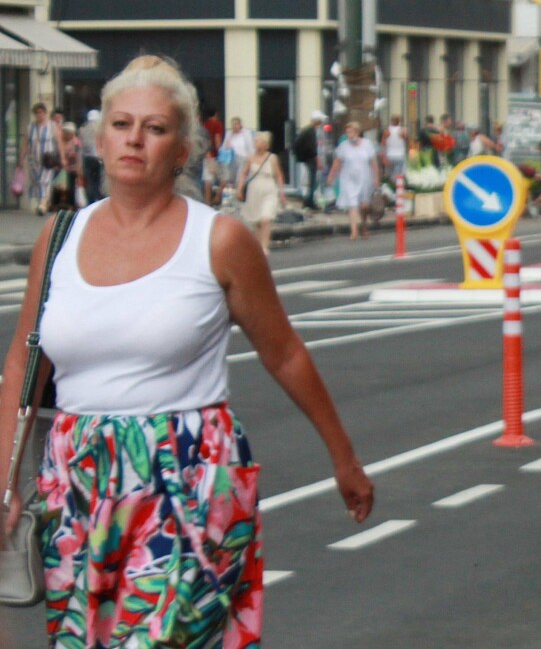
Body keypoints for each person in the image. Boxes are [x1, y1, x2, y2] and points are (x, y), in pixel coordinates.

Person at [0, 55, 373, 647]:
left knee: (164, 639)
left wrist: (344, 458)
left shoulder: (220, 240)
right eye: (122, 125)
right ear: (100, 139)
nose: (135, 140)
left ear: (183, 150)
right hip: (78, 480)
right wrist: (5, 477)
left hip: (190, 475)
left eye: (155, 129)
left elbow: (284, 354)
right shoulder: (60, 237)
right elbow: (23, 360)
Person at [327, 121, 379, 240]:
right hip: (349, 179)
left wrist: (376, 178)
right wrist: (331, 176)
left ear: (357, 132)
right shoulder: (344, 146)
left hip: (365, 178)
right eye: (348, 132)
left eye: (352, 132)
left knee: (364, 206)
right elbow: (337, 162)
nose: (350, 135)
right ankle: (354, 231)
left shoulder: (367, 144)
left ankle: (364, 225)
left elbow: (373, 163)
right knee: (352, 204)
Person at [237, 130, 287, 254]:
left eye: (258, 141)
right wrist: (239, 188)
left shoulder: (272, 158)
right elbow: (244, 174)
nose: (256, 143)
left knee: (266, 218)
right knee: (257, 221)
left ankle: (265, 246)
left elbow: (279, 175)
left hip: (268, 188)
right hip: (254, 190)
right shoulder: (250, 158)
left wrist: (282, 193)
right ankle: (258, 246)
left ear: (265, 144)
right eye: (255, 141)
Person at [20, 102, 58, 214]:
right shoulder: (31, 127)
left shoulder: (52, 126)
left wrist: (62, 157)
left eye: (41, 113)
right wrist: (22, 158)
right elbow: (26, 143)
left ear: (45, 113)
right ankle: (43, 203)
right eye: (37, 113)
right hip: (34, 159)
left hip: (47, 159)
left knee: (44, 180)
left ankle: (42, 205)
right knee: (36, 181)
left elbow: (59, 141)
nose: (39, 115)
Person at [293, 111, 325, 208]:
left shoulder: (305, 130)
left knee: (310, 180)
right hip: (310, 159)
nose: (321, 123)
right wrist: (317, 160)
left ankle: (308, 201)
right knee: (312, 181)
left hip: (306, 158)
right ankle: (309, 201)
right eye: (320, 121)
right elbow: (313, 148)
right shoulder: (311, 131)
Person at [222, 116, 255, 186]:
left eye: (237, 124)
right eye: (233, 124)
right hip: (231, 158)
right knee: (231, 178)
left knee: (240, 177)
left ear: (240, 124)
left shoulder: (246, 133)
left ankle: (239, 190)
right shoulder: (229, 133)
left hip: (243, 158)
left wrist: (252, 158)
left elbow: (250, 147)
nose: (235, 126)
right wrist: (231, 135)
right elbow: (224, 147)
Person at [79, 109, 103, 201]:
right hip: (98, 158)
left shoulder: (83, 129)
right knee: (100, 182)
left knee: (90, 182)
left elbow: (81, 147)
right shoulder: (100, 128)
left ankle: (91, 202)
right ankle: (100, 200)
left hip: (87, 159)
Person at [381, 114, 408, 184]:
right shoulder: (403, 131)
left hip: (390, 156)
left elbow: (383, 144)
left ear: (391, 121)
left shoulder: (387, 131)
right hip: (400, 156)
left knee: (389, 177)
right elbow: (407, 143)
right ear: (399, 121)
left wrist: (384, 157)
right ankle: (398, 189)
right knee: (399, 177)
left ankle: (390, 189)